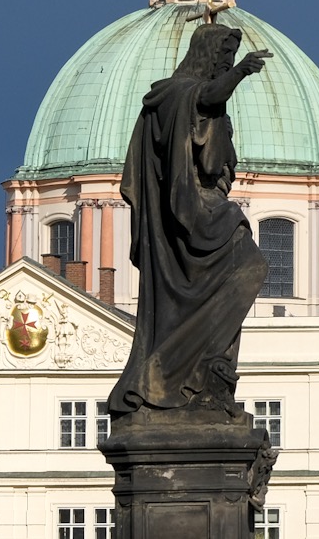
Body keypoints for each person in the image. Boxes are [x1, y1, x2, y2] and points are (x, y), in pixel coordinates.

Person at [107, 24, 272, 417]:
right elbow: (207, 95)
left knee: (247, 270)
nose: (226, 65)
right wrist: (241, 73)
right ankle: (179, 366)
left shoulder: (193, 98)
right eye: (224, 58)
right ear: (207, 55)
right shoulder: (176, 93)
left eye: (231, 60)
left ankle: (207, 369)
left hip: (208, 208)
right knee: (251, 265)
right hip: (189, 216)